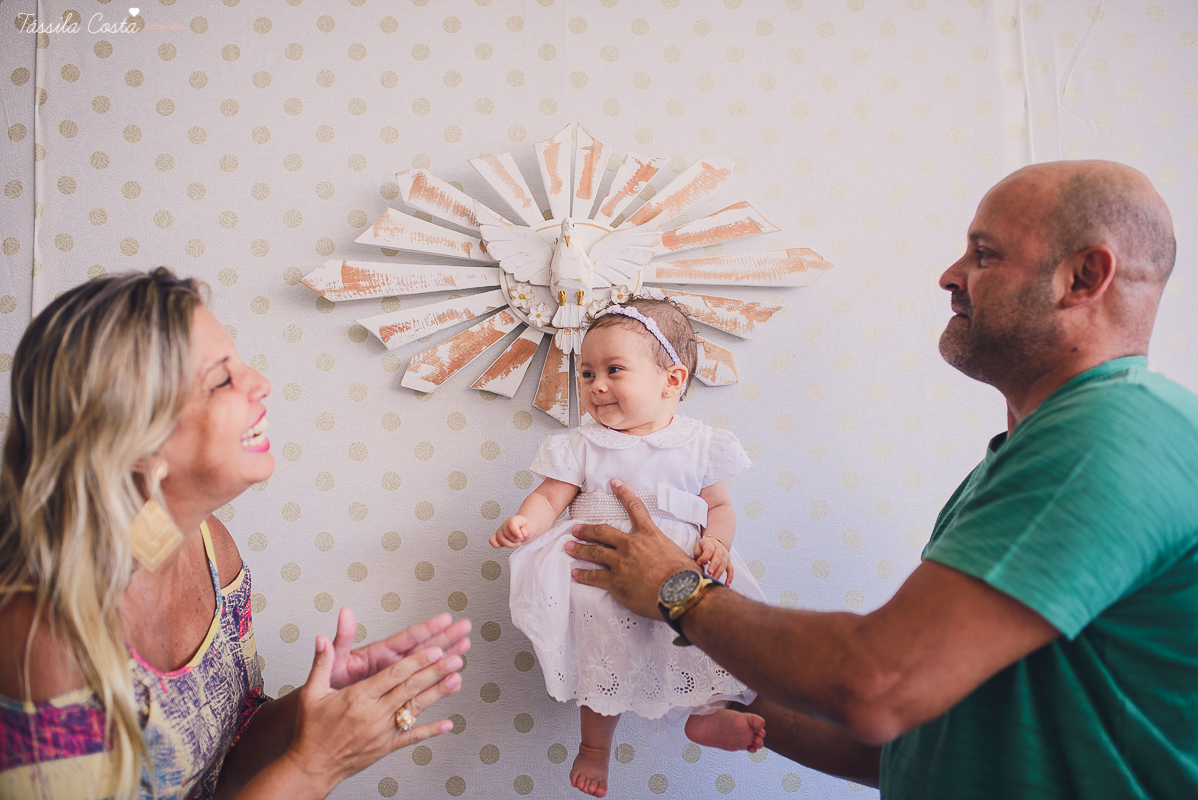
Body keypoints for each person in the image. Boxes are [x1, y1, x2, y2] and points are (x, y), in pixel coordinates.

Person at [564, 160, 1198, 798]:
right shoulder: (1021, 456)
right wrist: (702, 676)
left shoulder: (1111, 433)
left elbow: (879, 688)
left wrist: (679, 592)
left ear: (1084, 276)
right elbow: (908, 741)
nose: (950, 276)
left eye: (984, 253)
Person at [0, 269, 472, 799]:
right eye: (222, 380)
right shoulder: (42, 638)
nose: (260, 383)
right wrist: (314, 768)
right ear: (133, 440)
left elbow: (229, 756)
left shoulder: (210, 549)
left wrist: (312, 713)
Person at [489, 298, 767, 797]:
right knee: (605, 658)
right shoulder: (581, 444)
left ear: (672, 380)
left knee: (705, 639)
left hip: (681, 565)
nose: (596, 385)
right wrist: (525, 524)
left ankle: (708, 714)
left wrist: (717, 544)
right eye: (587, 372)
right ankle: (595, 747)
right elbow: (550, 498)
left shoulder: (701, 444)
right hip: (599, 572)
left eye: (614, 370)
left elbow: (720, 507)